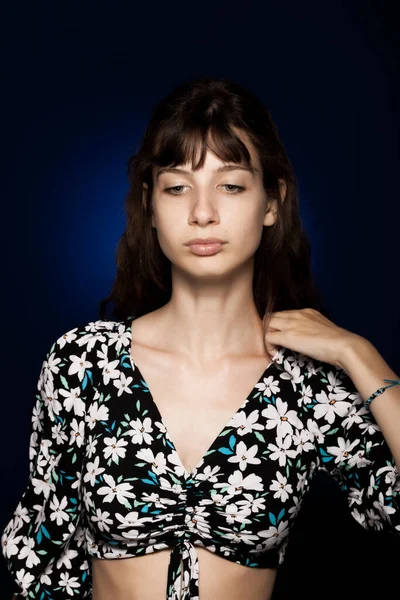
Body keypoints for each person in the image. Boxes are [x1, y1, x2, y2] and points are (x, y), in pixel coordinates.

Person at [2, 76, 399, 600]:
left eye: (231, 185)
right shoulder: (84, 363)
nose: (203, 212)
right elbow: (40, 553)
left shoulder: (307, 386)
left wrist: (360, 354)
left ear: (271, 203)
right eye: (177, 186)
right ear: (150, 207)